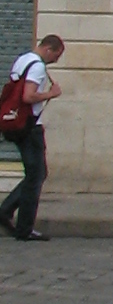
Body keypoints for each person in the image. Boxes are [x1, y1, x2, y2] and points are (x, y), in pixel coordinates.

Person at [1, 34, 64, 243]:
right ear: (48, 49)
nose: (56, 60)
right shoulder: (37, 66)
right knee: (36, 175)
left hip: (17, 124)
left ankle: (7, 212)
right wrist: (50, 94)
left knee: (35, 174)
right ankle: (23, 227)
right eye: (56, 55)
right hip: (29, 127)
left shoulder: (23, 59)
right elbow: (28, 96)